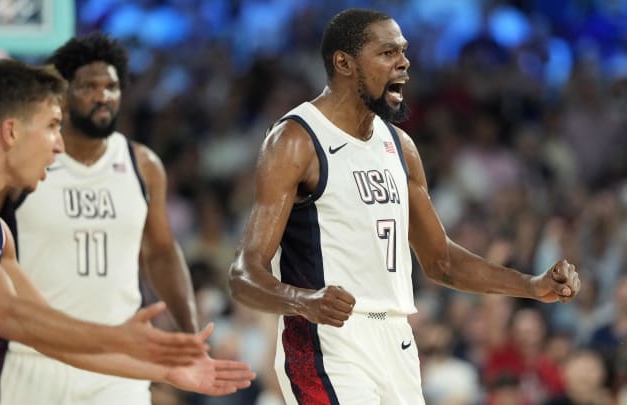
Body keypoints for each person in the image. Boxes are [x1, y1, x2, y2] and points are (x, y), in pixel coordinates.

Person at [227, 8, 580, 405]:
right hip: (327, 342)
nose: (404, 62)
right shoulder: (296, 140)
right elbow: (244, 274)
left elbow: (441, 260)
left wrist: (531, 286)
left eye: (404, 51)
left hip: (397, 340)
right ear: (344, 62)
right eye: (387, 52)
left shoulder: (400, 147)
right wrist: (303, 301)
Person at [0, 59, 254, 405]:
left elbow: (48, 332)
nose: (59, 145)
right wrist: (117, 337)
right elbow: (9, 315)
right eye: (52, 126)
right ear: (11, 131)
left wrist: (162, 370)